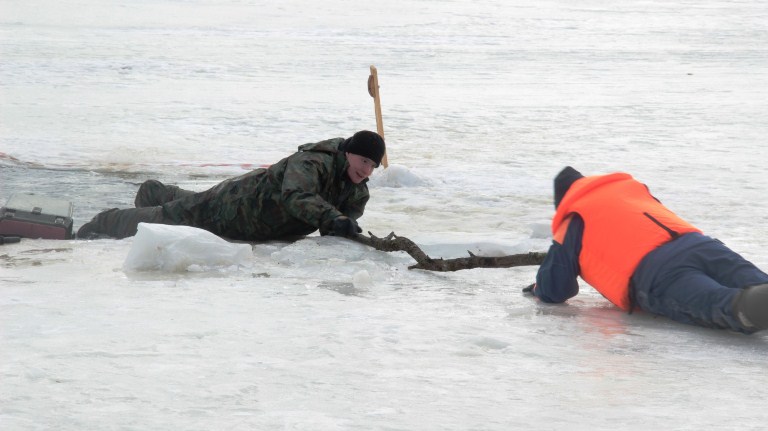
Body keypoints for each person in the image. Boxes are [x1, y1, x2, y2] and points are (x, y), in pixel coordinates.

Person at [524, 166, 768, 334]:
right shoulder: (629, 190)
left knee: (727, 306)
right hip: (700, 245)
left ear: (562, 202)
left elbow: (556, 289)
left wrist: (538, 289)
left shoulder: (573, 219)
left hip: (657, 272)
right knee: (759, 284)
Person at [77, 130, 385, 241]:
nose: (366, 170)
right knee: (173, 217)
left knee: (183, 204)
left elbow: (339, 224)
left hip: (251, 226)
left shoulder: (358, 190)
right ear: (347, 153)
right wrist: (332, 218)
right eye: (363, 161)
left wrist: (343, 226)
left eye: (372, 165)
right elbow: (296, 196)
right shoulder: (311, 163)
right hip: (230, 208)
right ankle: (98, 224)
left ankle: (156, 191)